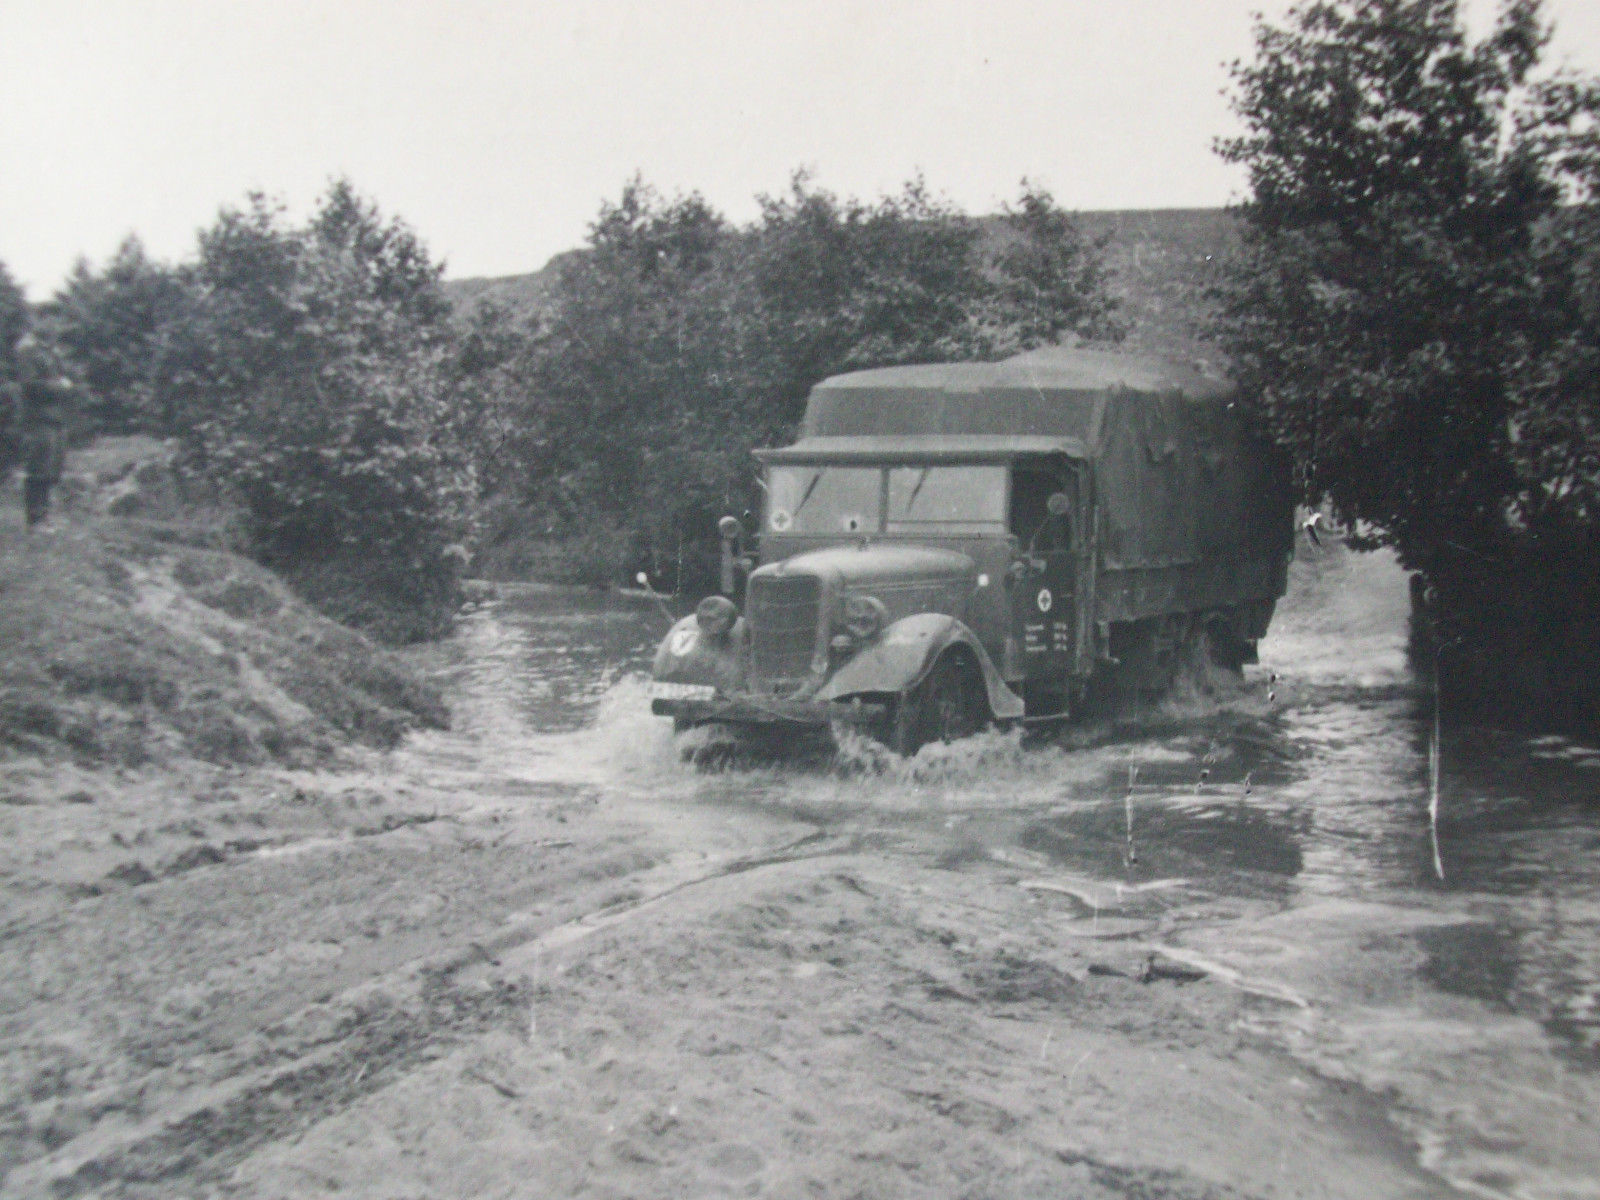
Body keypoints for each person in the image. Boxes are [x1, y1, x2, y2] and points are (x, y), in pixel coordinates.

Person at [15, 340, 71, 528]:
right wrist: (60, 386)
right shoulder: (27, 350)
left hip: (55, 417)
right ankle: (36, 520)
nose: (52, 326)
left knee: (53, 468)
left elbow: (61, 377)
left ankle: (46, 515)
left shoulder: (50, 349)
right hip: (38, 418)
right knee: (39, 467)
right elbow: (30, 385)